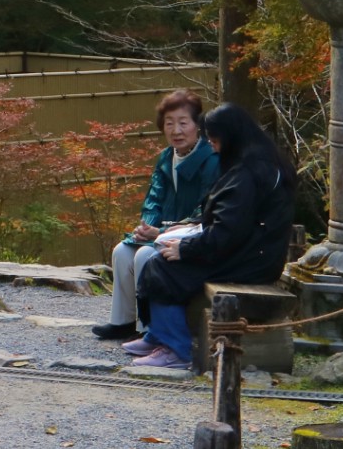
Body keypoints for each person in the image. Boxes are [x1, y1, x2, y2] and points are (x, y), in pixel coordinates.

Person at [125, 102, 298, 370]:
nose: (212, 145)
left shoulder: (247, 174)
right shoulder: (262, 163)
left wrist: (186, 248)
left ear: (229, 137)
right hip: (257, 254)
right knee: (162, 259)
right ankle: (158, 335)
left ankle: (176, 348)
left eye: (214, 139)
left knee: (161, 266)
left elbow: (227, 232)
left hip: (250, 260)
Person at [91, 89, 218, 341]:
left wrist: (160, 232)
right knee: (122, 251)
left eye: (183, 123)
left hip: (191, 237)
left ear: (197, 126)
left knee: (146, 255)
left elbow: (204, 210)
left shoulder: (211, 160)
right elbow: (153, 199)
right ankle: (123, 320)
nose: (176, 130)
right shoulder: (165, 158)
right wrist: (146, 226)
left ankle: (150, 329)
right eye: (169, 124)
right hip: (160, 232)